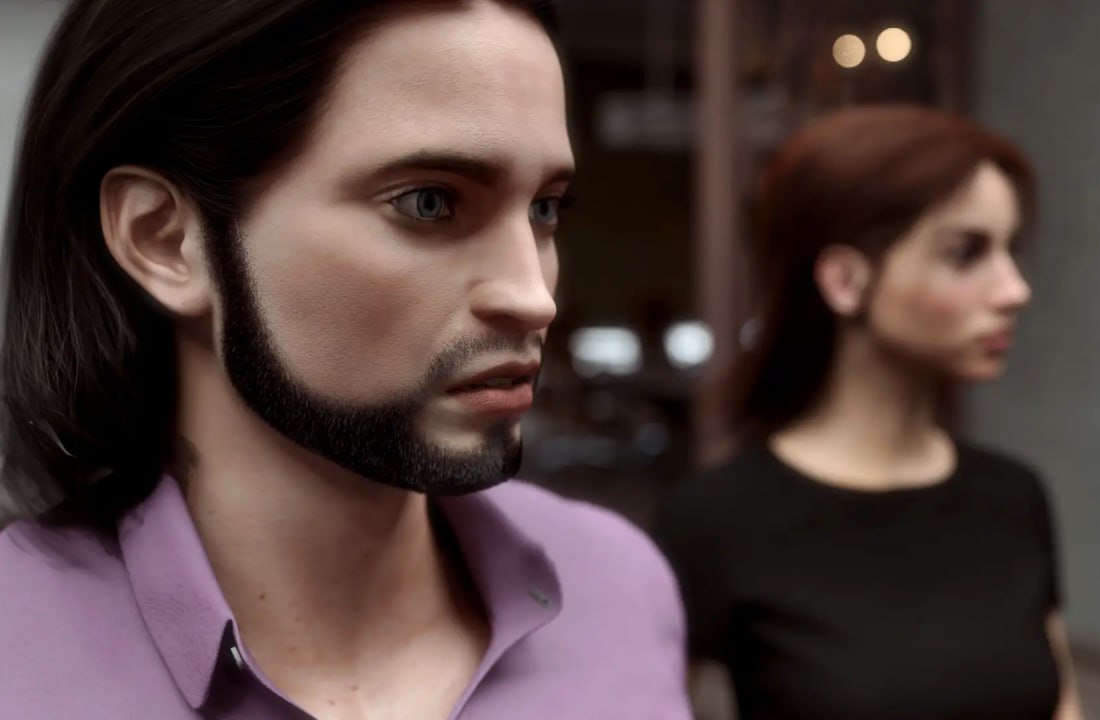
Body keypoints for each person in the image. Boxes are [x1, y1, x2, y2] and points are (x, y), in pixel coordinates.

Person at [0, 1, 690, 717]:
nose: (533, 297)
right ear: (163, 239)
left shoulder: (618, 590)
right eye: (429, 203)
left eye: (544, 209)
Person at [652, 105, 1085, 719]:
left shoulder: (1014, 496)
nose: (1015, 290)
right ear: (846, 281)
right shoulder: (716, 522)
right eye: (966, 253)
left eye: (1010, 250)